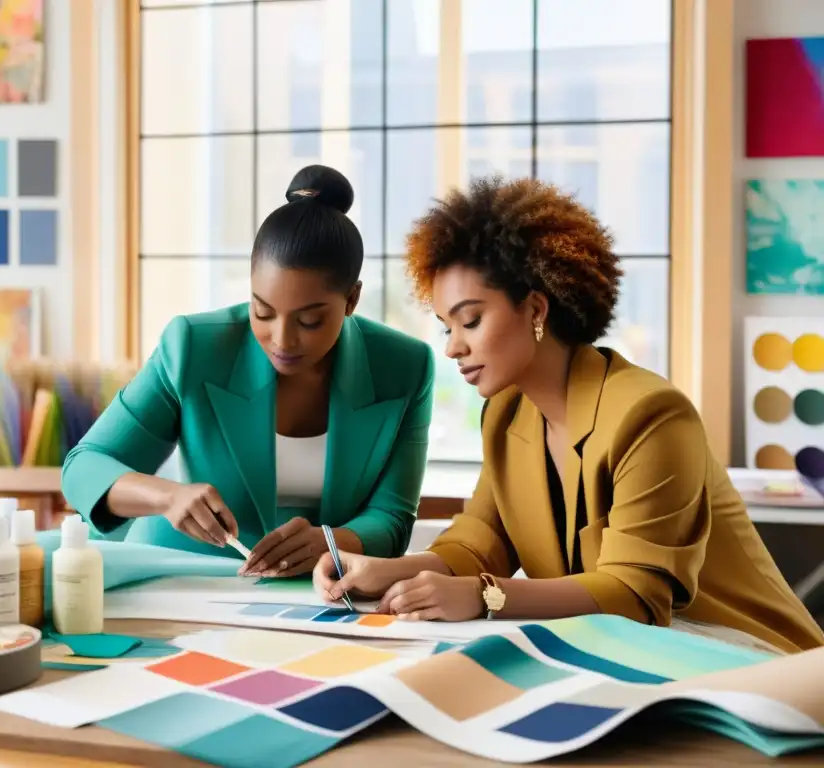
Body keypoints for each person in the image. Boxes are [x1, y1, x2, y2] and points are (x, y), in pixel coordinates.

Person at [313, 175, 824, 654]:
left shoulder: (651, 415)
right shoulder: (508, 415)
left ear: (536, 310)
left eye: (470, 320)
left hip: (743, 656)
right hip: (639, 657)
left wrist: (486, 596)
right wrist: (385, 571)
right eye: (447, 326)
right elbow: (480, 542)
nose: (453, 348)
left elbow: (636, 593)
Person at [62, 165, 435, 576]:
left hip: (317, 593)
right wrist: (166, 497)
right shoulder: (193, 347)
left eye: (309, 321)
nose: (282, 339)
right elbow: (84, 466)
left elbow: (393, 518)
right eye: (263, 311)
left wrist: (332, 542)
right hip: (180, 579)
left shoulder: (404, 367)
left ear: (352, 300)